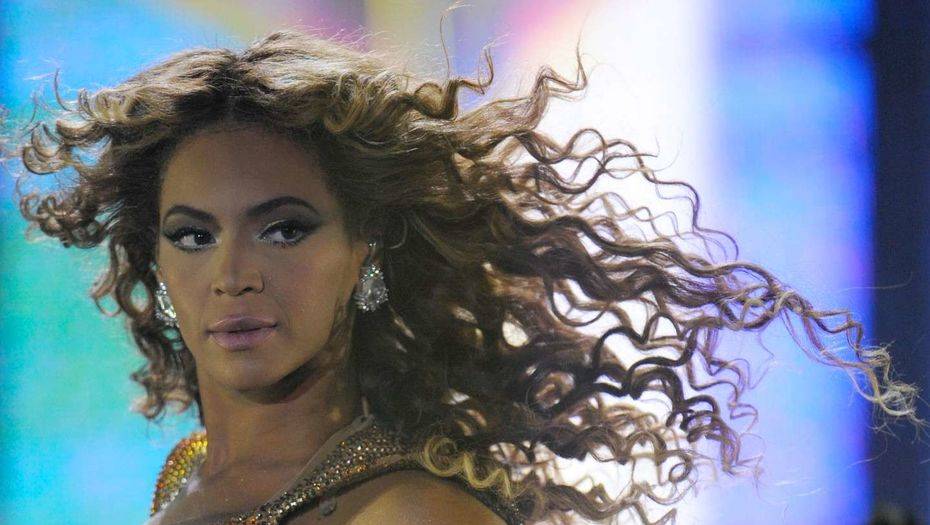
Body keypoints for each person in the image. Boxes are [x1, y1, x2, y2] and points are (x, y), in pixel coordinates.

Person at [3, 29, 923, 524]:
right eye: (193, 235)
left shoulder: (413, 513)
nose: (233, 274)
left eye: (284, 229)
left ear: (366, 249)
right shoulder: (189, 475)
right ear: (153, 262)